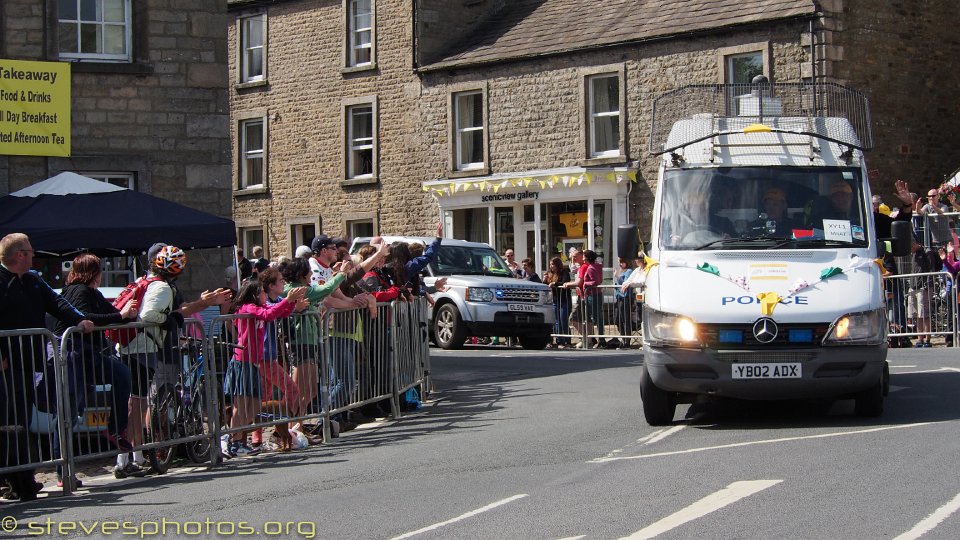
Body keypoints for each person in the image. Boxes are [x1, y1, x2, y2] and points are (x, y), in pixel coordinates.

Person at [0, 233, 94, 500]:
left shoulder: (32, 280)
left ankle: (22, 479)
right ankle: (11, 479)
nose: (33, 254)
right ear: (20, 254)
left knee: (20, 422)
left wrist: (80, 319)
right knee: (6, 423)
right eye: (30, 251)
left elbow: (57, 304)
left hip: (26, 361)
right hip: (4, 365)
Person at [54, 253, 139, 486]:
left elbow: (108, 313)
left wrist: (125, 314)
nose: (102, 274)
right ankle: (63, 472)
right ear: (93, 272)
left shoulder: (91, 292)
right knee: (68, 412)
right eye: (99, 270)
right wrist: (120, 315)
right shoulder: (78, 291)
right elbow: (86, 317)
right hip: (73, 355)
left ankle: (115, 429)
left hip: (90, 355)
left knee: (121, 374)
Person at [221, 279, 306, 457]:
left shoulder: (260, 308)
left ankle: (236, 439)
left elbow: (278, 314)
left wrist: (290, 302)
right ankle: (232, 440)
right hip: (243, 360)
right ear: (254, 294)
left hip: (254, 362)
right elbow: (267, 315)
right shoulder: (247, 307)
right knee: (241, 405)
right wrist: (287, 300)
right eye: (261, 292)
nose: (265, 295)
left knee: (253, 406)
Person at [563, 249, 606, 348]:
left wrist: (585, 284)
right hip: (589, 295)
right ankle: (591, 339)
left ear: (586, 258)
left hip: (590, 295)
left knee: (593, 318)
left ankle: (593, 339)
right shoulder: (591, 266)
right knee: (590, 318)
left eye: (582, 256)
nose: (574, 258)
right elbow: (574, 270)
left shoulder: (589, 267)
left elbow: (596, 281)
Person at [544, 257, 572, 348]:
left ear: (557, 264)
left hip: (564, 299)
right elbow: (545, 285)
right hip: (554, 300)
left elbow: (565, 282)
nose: (551, 266)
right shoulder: (549, 274)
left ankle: (567, 340)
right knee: (556, 321)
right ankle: (559, 341)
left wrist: (555, 284)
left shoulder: (564, 272)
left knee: (563, 320)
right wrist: (545, 280)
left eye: (553, 264)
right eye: (550, 264)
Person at [610, 257, 636, 348]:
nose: (620, 264)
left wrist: (617, 276)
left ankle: (627, 341)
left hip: (625, 298)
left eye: (622, 262)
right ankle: (623, 337)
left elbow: (625, 283)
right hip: (619, 297)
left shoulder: (629, 271)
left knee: (625, 319)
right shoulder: (623, 271)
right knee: (617, 319)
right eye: (619, 262)